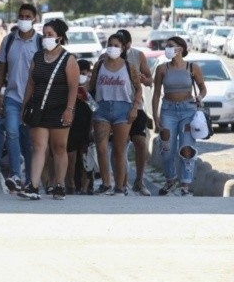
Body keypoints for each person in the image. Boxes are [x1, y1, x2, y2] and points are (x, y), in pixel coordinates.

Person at [18, 18, 79, 200]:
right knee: (38, 147)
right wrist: (25, 105)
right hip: (38, 109)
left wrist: (69, 109)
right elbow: (31, 83)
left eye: (50, 35)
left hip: (60, 109)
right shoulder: (37, 57)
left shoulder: (68, 59)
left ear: (59, 37)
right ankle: (34, 185)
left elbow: (73, 87)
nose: (46, 38)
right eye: (44, 35)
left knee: (59, 147)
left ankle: (59, 185)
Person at [0, 4, 40, 191]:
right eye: (21, 16)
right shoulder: (8, 41)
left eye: (28, 16)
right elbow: (1, 69)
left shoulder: (40, 42)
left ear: (35, 19)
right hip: (13, 97)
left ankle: (32, 179)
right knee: (12, 132)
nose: (24, 19)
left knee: (29, 141)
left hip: (34, 100)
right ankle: (16, 175)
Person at [88, 33, 142, 196]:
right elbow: (91, 88)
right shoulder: (99, 65)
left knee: (119, 150)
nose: (112, 48)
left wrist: (134, 108)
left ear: (123, 47)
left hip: (123, 109)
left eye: (116, 45)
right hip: (102, 107)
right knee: (102, 148)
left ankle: (120, 186)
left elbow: (138, 88)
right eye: (110, 44)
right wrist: (91, 107)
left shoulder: (128, 66)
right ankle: (105, 183)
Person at [151, 36, 206, 196]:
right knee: (167, 148)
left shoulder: (192, 67)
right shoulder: (162, 69)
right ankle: (170, 179)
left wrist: (200, 97)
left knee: (187, 148)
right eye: (166, 46)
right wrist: (155, 116)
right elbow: (155, 94)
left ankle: (185, 185)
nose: (167, 48)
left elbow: (202, 87)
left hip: (188, 111)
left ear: (180, 49)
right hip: (168, 110)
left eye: (171, 46)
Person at [116, 29, 154, 196]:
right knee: (119, 146)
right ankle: (120, 182)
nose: (119, 47)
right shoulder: (108, 57)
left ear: (128, 44)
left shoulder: (138, 56)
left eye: (122, 43)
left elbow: (149, 79)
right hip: (116, 107)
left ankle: (139, 179)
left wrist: (144, 80)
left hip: (136, 107)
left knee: (140, 142)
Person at [69, 59, 95, 194]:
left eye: (84, 73)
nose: (82, 76)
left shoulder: (91, 89)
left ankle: (86, 186)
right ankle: (71, 184)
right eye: (80, 72)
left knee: (86, 158)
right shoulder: (70, 87)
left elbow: (94, 108)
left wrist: (86, 95)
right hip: (71, 128)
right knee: (71, 158)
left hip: (85, 127)